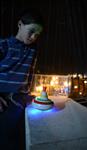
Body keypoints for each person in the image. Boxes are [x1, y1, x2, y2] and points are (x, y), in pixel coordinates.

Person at [0, 8, 44, 150]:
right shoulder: (4, 45)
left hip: (21, 100)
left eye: (37, 35)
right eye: (31, 31)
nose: (33, 37)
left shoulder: (33, 50)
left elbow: (29, 74)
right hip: (3, 101)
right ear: (20, 24)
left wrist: (28, 92)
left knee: (22, 138)